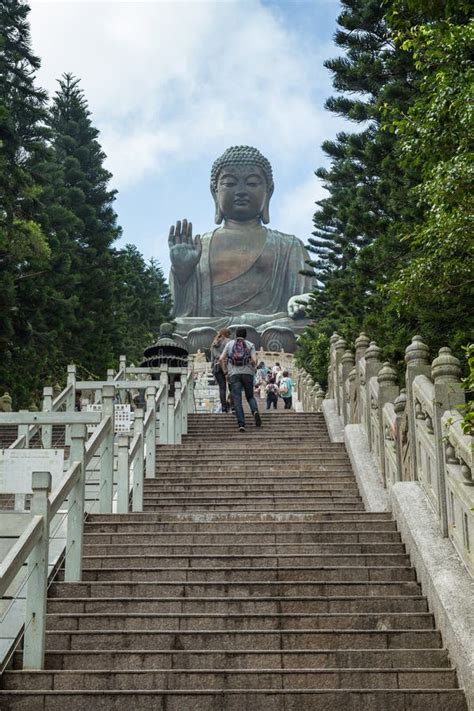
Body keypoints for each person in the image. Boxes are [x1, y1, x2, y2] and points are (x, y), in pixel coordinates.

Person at [168, 146, 314, 336]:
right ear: (215, 192)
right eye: (230, 184)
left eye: (252, 183)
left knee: (310, 325)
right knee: (172, 328)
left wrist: (304, 300)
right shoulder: (198, 246)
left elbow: (309, 300)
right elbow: (176, 312)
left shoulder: (289, 246)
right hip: (211, 330)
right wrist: (182, 272)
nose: (241, 191)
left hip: (272, 326)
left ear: (268, 192)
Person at [220, 326, 262, 432]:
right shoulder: (250, 344)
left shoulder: (229, 344)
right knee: (250, 396)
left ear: (236, 335)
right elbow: (254, 360)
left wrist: (225, 372)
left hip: (234, 374)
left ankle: (241, 424)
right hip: (248, 373)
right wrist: (253, 367)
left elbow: (221, 358)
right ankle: (255, 411)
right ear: (245, 335)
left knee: (237, 399)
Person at [210, 328, 232, 412]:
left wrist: (212, 369)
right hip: (227, 366)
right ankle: (231, 405)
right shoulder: (229, 342)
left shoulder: (214, 343)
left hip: (216, 367)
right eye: (229, 334)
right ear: (227, 334)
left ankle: (223, 408)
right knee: (232, 387)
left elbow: (212, 358)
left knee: (222, 388)